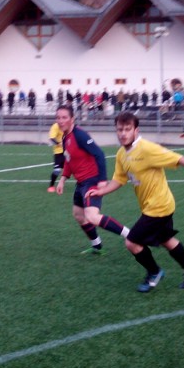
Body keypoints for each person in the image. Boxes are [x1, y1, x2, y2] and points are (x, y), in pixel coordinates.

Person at [87, 112, 184, 293]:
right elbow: (119, 179)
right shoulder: (121, 154)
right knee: (166, 239)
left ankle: (154, 272)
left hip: (158, 207)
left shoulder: (147, 149)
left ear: (136, 130)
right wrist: (101, 191)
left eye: (128, 129)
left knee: (131, 242)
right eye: (120, 129)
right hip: (157, 205)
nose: (123, 133)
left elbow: (178, 158)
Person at [54, 105, 131, 255]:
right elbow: (69, 160)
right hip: (81, 183)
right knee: (78, 214)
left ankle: (131, 235)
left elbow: (99, 154)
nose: (61, 120)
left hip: (92, 181)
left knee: (92, 216)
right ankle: (96, 245)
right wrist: (62, 179)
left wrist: (102, 180)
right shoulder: (65, 137)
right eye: (58, 117)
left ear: (72, 119)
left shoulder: (79, 135)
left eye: (64, 117)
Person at [47, 121, 64, 193]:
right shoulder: (55, 126)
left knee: (76, 169)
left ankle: (84, 185)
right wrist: (59, 143)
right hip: (58, 152)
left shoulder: (70, 126)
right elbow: (52, 138)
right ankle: (51, 186)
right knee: (57, 171)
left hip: (69, 151)